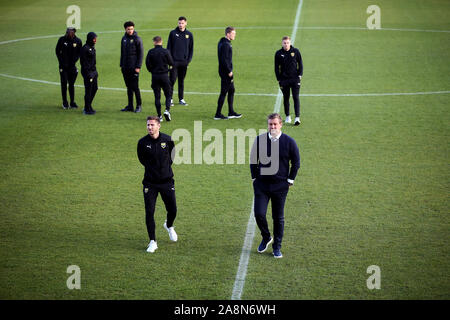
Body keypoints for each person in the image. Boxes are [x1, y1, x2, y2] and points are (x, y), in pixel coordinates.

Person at [250, 113, 300, 258]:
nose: (272, 127)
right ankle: (266, 237)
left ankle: (277, 246)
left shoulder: (289, 142)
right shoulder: (259, 140)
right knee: (259, 214)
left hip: (280, 186)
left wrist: (290, 180)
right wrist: (254, 178)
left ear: (280, 125)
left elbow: (296, 162)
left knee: (278, 218)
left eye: (275, 124)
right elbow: (253, 160)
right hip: (262, 186)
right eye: (270, 124)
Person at [137, 116, 178, 253]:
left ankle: (169, 225)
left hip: (166, 181)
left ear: (159, 126)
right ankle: (152, 241)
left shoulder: (168, 140)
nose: (150, 127)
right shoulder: (142, 143)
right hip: (150, 183)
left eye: (152, 125)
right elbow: (142, 159)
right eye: (148, 125)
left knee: (173, 210)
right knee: (149, 212)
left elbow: (172, 156)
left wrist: (164, 169)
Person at [214, 26, 242, 120]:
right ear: (228, 34)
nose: (234, 35)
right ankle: (218, 114)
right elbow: (224, 60)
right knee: (223, 92)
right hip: (226, 72)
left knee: (231, 90)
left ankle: (231, 112)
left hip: (223, 71)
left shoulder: (222, 42)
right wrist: (229, 71)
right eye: (233, 33)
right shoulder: (226, 45)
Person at [275, 36, 303, 126]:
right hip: (284, 80)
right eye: (284, 43)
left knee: (296, 97)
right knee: (286, 98)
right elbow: (276, 67)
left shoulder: (296, 51)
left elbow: (300, 63)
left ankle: (297, 118)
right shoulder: (278, 53)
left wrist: (300, 75)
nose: (286, 44)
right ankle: (287, 116)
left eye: (287, 43)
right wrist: (278, 79)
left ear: (290, 43)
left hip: (295, 79)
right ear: (282, 43)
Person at [145, 36, 174, 122]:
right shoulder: (166, 51)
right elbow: (171, 62)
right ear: (161, 42)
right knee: (168, 94)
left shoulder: (151, 52)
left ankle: (159, 116)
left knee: (157, 96)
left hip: (155, 76)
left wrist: (152, 71)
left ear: (154, 42)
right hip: (164, 75)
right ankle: (167, 110)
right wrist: (168, 69)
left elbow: (147, 64)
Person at [167, 16, 194, 107]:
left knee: (181, 81)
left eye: (182, 23)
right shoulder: (172, 33)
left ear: (186, 23)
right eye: (179, 23)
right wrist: (170, 61)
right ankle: (169, 99)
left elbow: (191, 49)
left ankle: (181, 99)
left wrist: (188, 61)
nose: (181, 25)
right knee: (172, 80)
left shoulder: (189, 34)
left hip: (184, 62)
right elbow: (168, 48)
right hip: (174, 62)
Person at [120, 21, 144, 113]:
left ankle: (138, 105)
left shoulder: (137, 39)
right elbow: (122, 53)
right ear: (125, 29)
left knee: (135, 87)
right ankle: (130, 105)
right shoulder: (124, 39)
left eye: (132, 29)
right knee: (128, 87)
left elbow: (141, 54)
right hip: (125, 68)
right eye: (128, 29)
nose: (130, 30)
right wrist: (121, 65)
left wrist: (138, 67)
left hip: (134, 68)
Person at [55, 27, 82, 109]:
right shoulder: (62, 40)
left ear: (74, 33)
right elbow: (57, 51)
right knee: (63, 83)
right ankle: (65, 102)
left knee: (71, 84)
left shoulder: (78, 41)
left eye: (71, 32)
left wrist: (75, 60)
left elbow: (79, 52)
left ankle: (72, 102)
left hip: (72, 67)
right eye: (68, 32)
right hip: (63, 67)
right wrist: (61, 61)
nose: (69, 33)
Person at [80, 32, 98, 115]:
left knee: (95, 88)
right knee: (88, 90)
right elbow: (83, 63)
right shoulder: (85, 48)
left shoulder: (92, 47)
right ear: (90, 38)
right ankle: (87, 109)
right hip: (88, 73)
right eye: (94, 38)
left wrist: (95, 72)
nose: (95, 40)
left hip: (93, 72)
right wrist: (88, 73)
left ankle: (88, 105)